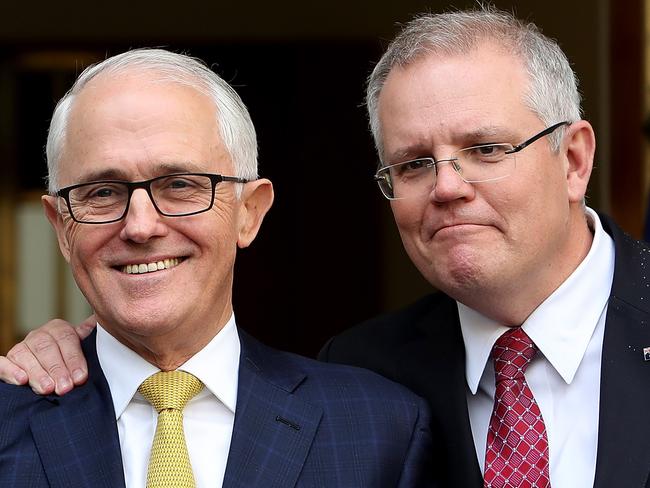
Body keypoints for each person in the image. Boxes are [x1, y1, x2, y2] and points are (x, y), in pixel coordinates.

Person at [3, 7, 649, 488]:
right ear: (61, 225)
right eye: (416, 163)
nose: (449, 186)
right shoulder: (374, 372)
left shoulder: (374, 415)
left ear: (573, 159)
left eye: (484, 149)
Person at [0, 48, 433, 487]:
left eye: (180, 185)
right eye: (103, 192)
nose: (140, 226)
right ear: (60, 226)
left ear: (250, 212)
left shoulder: (379, 428)